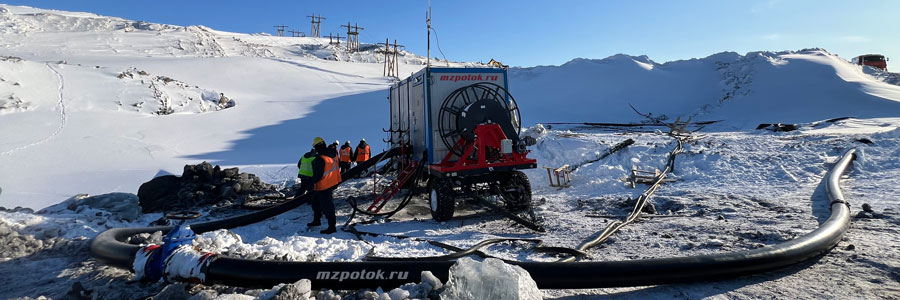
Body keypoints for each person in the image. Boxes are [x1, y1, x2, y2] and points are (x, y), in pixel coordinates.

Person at [309, 136, 341, 234]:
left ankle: (332, 227)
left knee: (327, 206)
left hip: (323, 185)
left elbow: (317, 176)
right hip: (333, 181)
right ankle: (316, 220)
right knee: (316, 202)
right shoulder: (333, 153)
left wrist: (310, 183)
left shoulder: (320, 158)